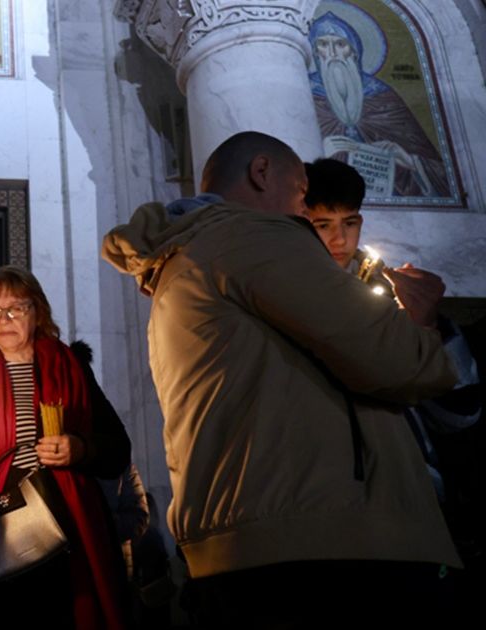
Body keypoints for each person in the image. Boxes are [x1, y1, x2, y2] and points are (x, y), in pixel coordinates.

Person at [102, 131, 460, 626]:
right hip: (324, 546)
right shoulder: (254, 235)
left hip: (254, 540)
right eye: (299, 191)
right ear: (262, 171)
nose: (304, 213)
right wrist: (422, 326)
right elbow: (397, 360)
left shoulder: (188, 257)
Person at [304, 157, 481, 552]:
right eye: (323, 225)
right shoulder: (292, 299)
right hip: (336, 509)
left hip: (418, 493)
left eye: (349, 223)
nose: (339, 240)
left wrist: (431, 328)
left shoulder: (390, 294)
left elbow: (459, 413)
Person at [0, 265, 129, 629]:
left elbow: (117, 449)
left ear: (37, 312)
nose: (5, 318)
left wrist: (80, 449)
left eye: (16, 307)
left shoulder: (70, 365)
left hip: (64, 527)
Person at [308, 11, 449, 198]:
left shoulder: (381, 94)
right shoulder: (304, 91)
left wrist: (410, 160)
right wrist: (319, 150)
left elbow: (441, 174)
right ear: (316, 51)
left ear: (354, 51)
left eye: (340, 44)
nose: (332, 53)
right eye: (323, 44)